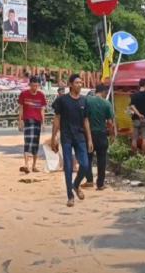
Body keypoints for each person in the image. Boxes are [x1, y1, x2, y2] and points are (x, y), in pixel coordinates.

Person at [51, 74, 94, 207]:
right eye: (77, 83)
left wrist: (90, 139)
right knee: (68, 167)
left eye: (81, 83)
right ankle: (70, 196)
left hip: (80, 137)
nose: (80, 85)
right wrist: (54, 138)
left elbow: (86, 120)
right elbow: (57, 119)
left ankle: (76, 185)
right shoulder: (62, 101)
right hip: (67, 137)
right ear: (70, 85)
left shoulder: (84, 101)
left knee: (85, 165)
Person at [81, 84, 114, 190]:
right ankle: (100, 184)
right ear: (104, 92)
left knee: (88, 158)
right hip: (101, 134)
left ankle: (89, 180)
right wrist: (112, 134)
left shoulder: (87, 101)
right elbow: (109, 122)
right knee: (102, 159)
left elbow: (83, 118)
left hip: (89, 134)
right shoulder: (107, 103)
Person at [18, 76, 47, 174]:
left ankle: (34, 166)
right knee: (27, 141)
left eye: (37, 86)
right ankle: (26, 165)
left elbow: (42, 110)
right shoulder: (24, 94)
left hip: (37, 121)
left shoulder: (41, 95)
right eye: (33, 85)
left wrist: (43, 122)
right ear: (30, 84)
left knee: (35, 143)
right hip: (28, 120)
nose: (35, 88)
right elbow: (21, 108)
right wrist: (20, 120)